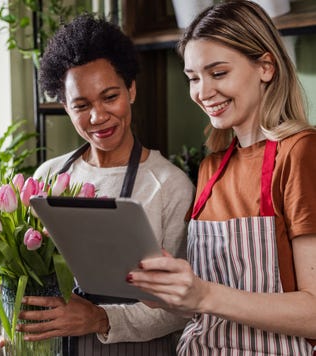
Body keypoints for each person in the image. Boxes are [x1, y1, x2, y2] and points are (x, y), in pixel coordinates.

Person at [127, 1, 316, 355]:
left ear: (265, 66)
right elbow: (209, 303)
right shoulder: (212, 168)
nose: (202, 92)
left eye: (218, 73)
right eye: (193, 78)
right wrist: (170, 295)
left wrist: (204, 294)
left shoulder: (301, 152)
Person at [14, 13, 195, 356]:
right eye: (82, 105)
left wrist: (99, 319)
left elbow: (182, 309)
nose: (98, 116)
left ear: (132, 90)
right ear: (66, 107)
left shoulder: (169, 185)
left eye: (110, 97)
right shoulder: (47, 177)